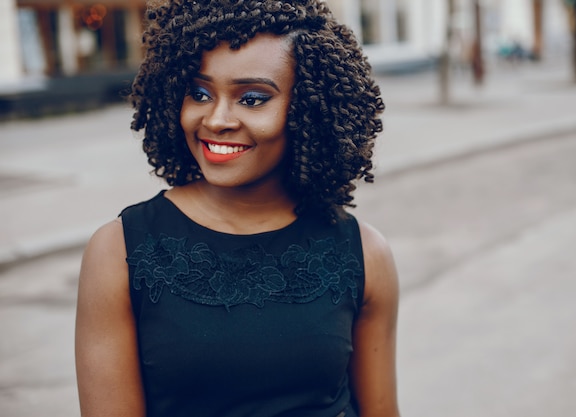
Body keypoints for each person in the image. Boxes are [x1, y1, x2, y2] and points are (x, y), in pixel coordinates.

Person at [75, 1, 400, 416]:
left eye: (251, 98)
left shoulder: (365, 253)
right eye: (199, 93)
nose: (216, 119)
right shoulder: (118, 251)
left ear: (307, 111)